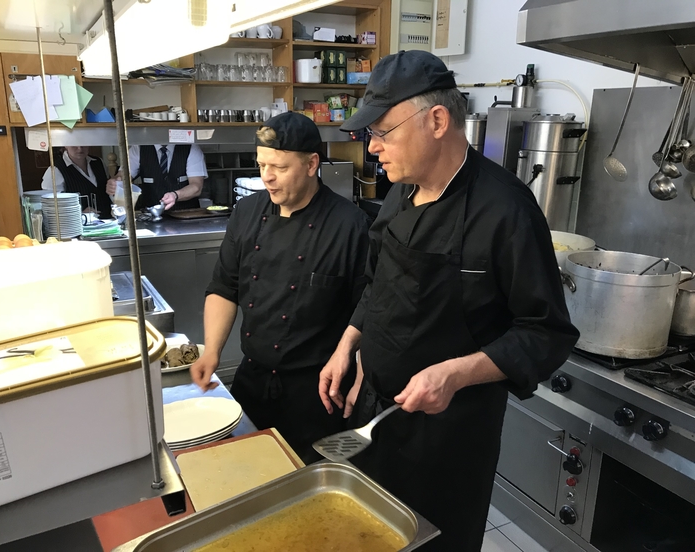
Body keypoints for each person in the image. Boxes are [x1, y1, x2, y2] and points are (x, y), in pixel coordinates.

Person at [318, 50, 580, 551]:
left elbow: (546, 332)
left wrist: (456, 373)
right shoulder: (400, 190)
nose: (373, 148)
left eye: (383, 132)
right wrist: (348, 343)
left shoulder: (506, 211)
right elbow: (378, 283)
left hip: (448, 439)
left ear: (437, 120)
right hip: (374, 416)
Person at [190, 112, 370, 463]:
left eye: (279, 168)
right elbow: (224, 287)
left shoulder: (351, 226)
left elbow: (367, 310)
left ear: (311, 164)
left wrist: (361, 372)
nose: (267, 178)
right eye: (261, 166)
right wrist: (211, 351)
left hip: (318, 393)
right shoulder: (246, 212)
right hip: (252, 381)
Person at [106, 144, 207, 211]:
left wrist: (176, 195)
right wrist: (115, 183)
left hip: (186, 215)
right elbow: (123, 175)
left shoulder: (190, 148)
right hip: (149, 215)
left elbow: (196, 186)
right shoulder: (138, 149)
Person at [41, 146, 113, 218]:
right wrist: (80, 213)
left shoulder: (98, 162)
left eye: (83, 144)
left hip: (109, 220)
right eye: (74, 144)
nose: (80, 148)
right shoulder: (55, 170)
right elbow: (51, 206)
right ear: (66, 145)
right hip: (78, 225)